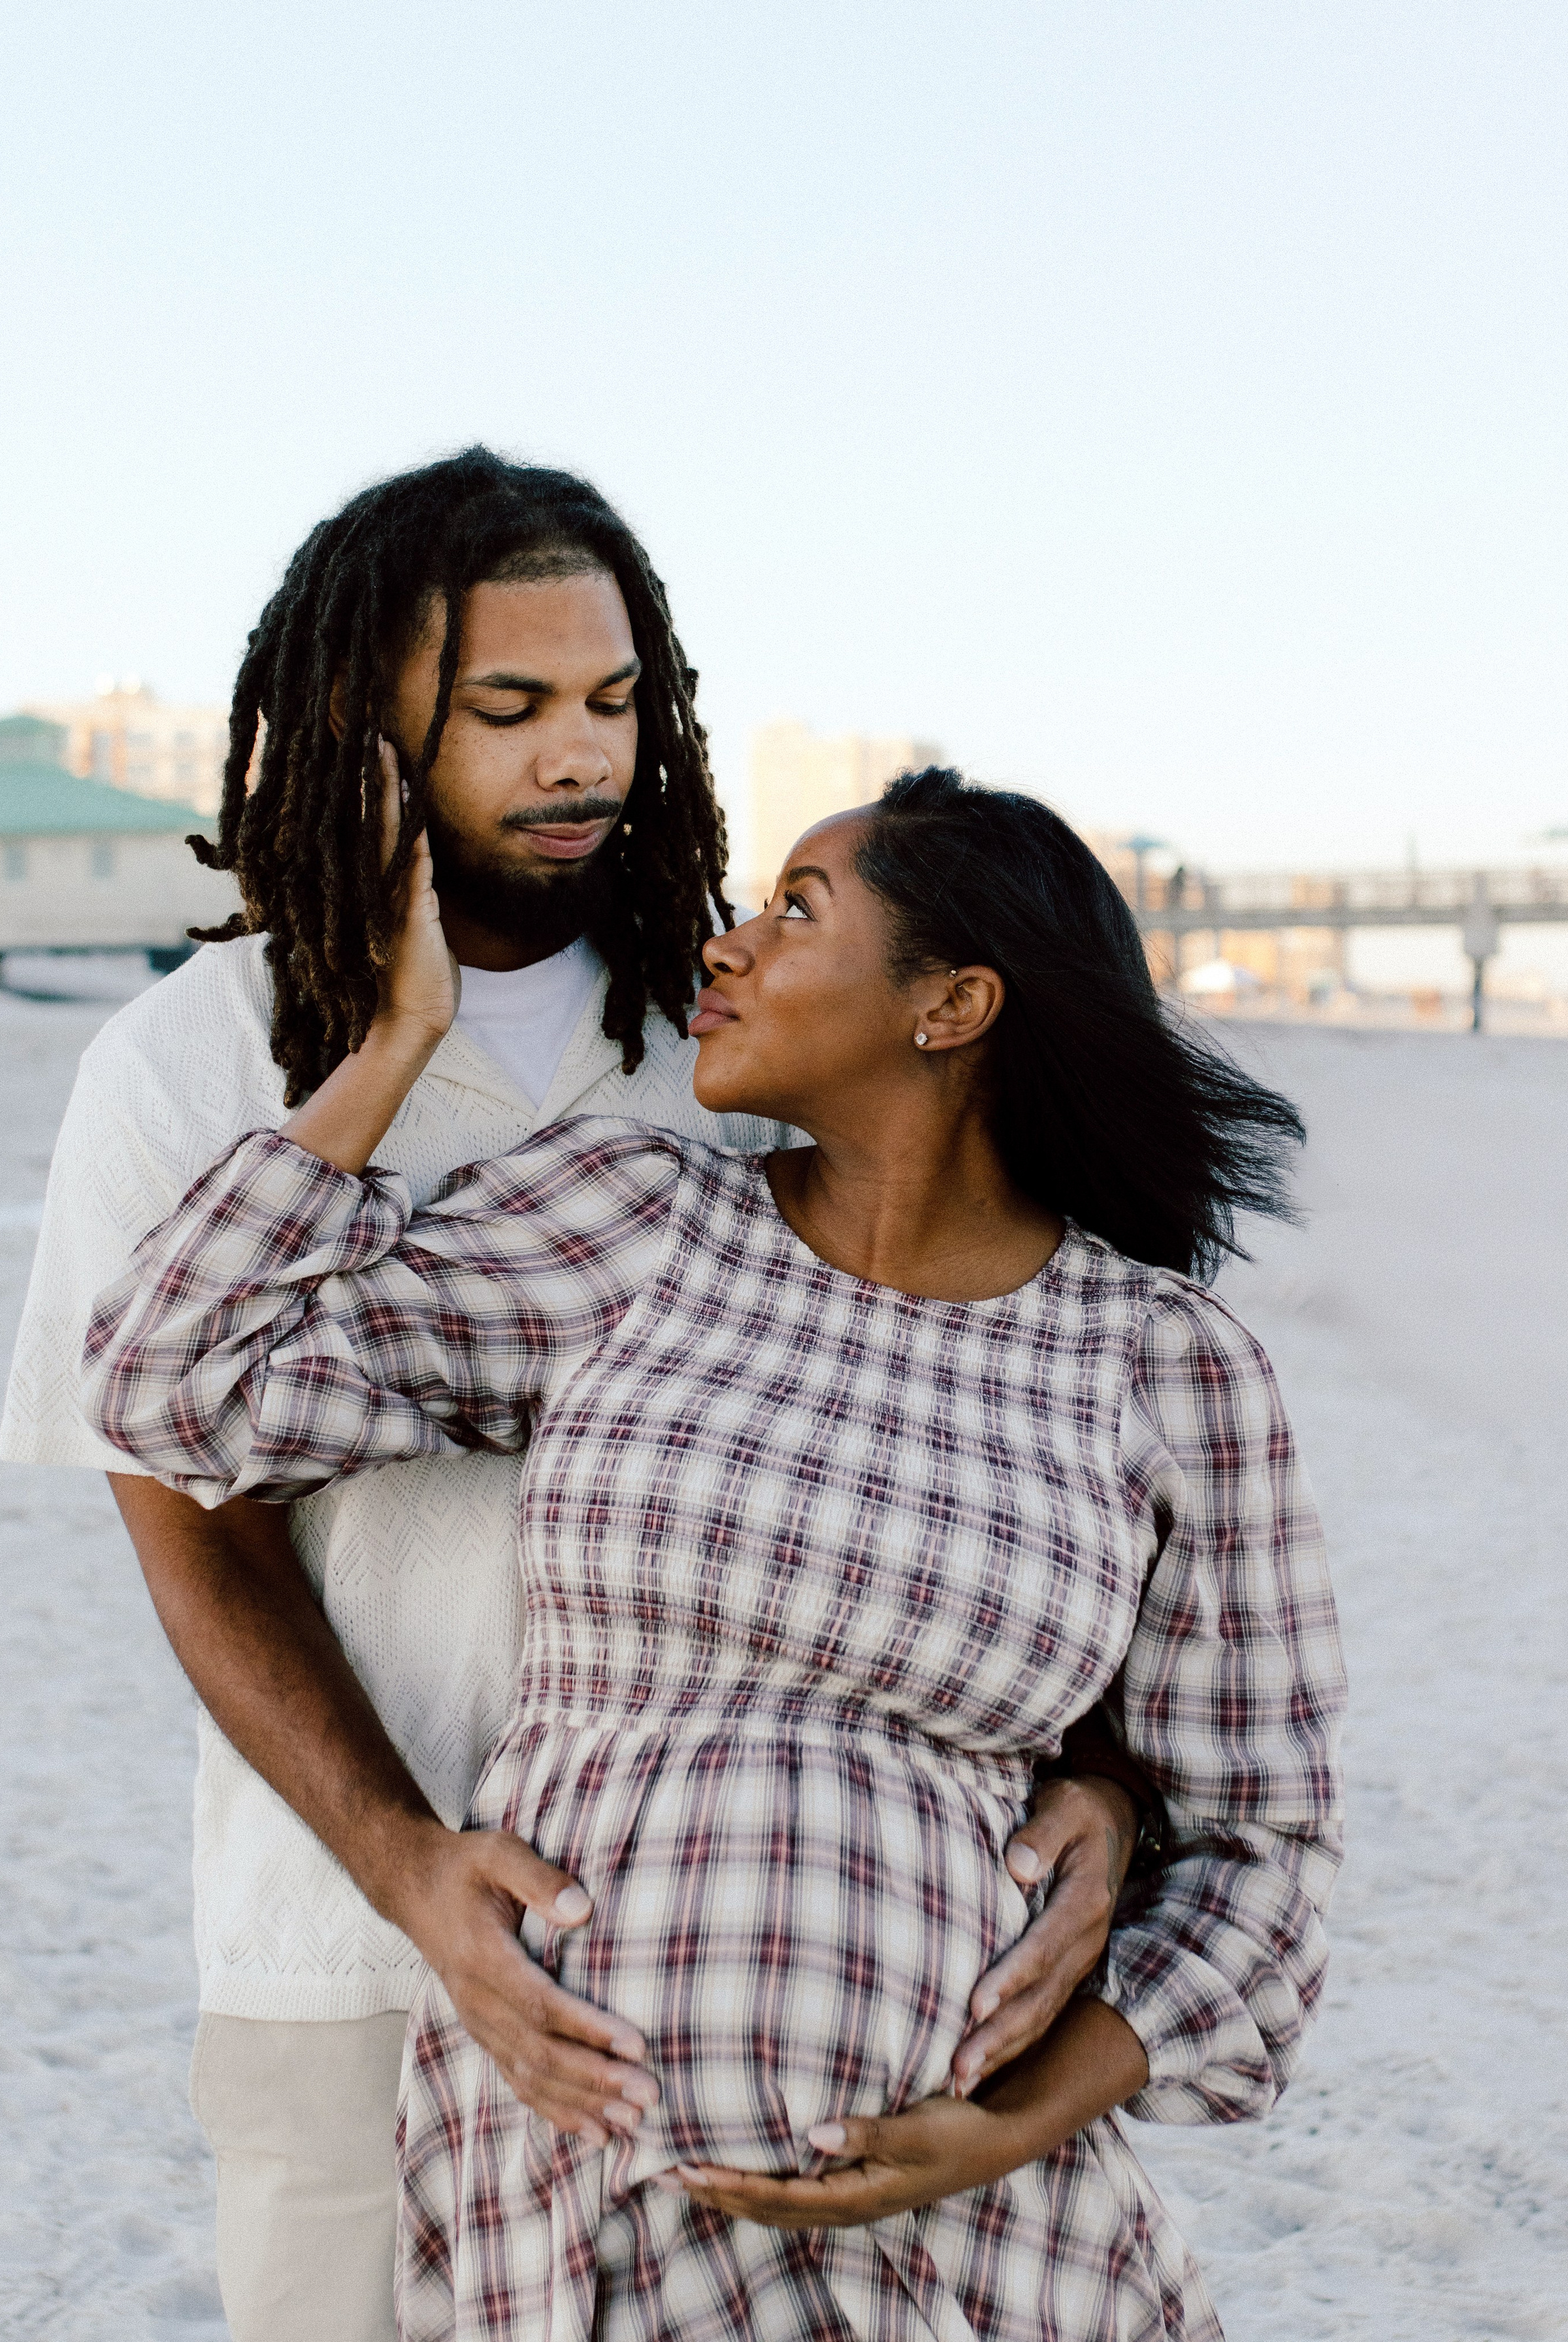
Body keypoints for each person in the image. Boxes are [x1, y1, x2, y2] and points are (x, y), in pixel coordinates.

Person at [0, 453, 1141, 2342]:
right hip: (350, 1953)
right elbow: (196, 1537)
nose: (580, 760)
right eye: (507, 710)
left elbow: (999, 1426)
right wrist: (410, 1871)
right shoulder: (177, 1067)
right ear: (364, 733)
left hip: (761, 1967)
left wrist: (1100, 1780)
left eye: (614, 703)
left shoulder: (754, 1042)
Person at [84, 765, 1347, 2341]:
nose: (728, 946)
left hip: (974, 2235)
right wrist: (391, 1049)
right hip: (576, 2189)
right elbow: (172, 1382)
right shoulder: (634, 1225)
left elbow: (1261, 1851)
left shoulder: (1164, 1366)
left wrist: (1016, 2117)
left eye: (796, 909)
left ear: (948, 1005)